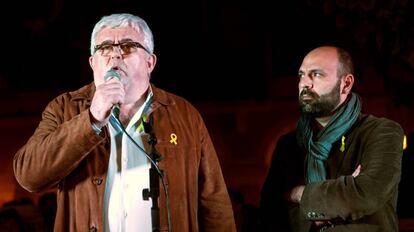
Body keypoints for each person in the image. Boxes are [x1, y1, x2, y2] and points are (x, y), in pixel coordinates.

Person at [13, 13, 236, 232]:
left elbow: (214, 203)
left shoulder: (185, 115)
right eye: (105, 47)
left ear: (150, 62)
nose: (116, 55)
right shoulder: (64, 108)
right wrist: (92, 119)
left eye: (128, 45)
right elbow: (29, 176)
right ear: (93, 63)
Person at [260, 46, 404, 231]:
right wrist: (342, 193)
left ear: (346, 83)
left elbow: (366, 194)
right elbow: (270, 210)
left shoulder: (380, 132)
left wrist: (297, 194)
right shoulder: (288, 144)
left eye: (317, 75)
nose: (305, 83)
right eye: (302, 75)